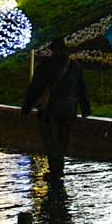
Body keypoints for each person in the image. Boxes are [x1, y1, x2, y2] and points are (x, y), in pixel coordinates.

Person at [20, 36, 91, 182]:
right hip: (68, 110)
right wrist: (85, 109)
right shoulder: (74, 66)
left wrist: (26, 107)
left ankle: (55, 169)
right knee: (63, 139)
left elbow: (35, 88)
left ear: (52, 50)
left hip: (50, 110)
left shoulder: (46, 65)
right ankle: (59, 167)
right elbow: (82, 89)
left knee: (51, 140)